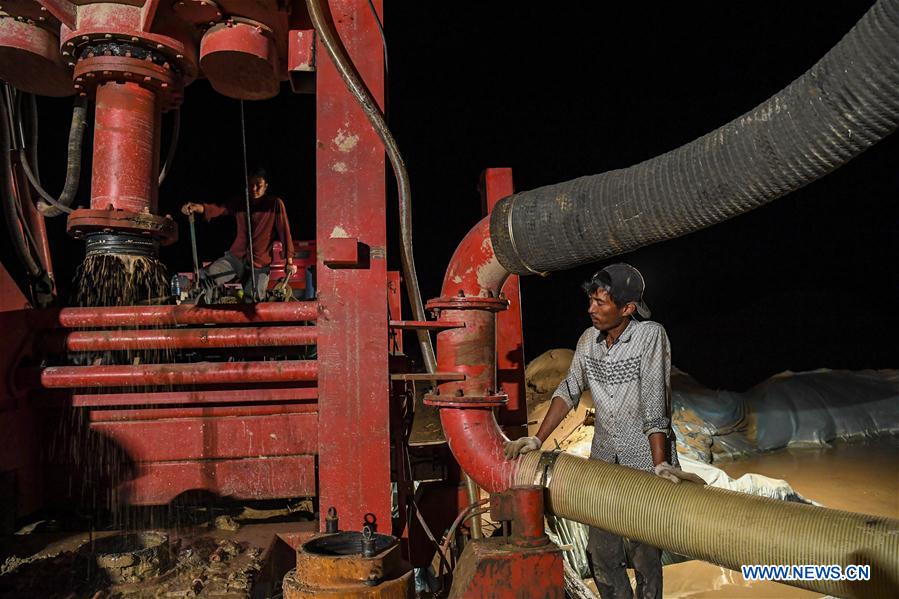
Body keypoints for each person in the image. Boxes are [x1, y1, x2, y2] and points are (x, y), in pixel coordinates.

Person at [503, 263, 703, 599]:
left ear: (627, 308)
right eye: (591, 301)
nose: (590, 309)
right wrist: (537, 439)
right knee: (602, 553)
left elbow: (655, 401)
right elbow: (568, 389)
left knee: (644, 552)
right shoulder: (588, 341)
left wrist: (661, 463)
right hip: (603, 459)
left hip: (644, 460)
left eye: (600, 303)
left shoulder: (649, 335)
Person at [181, 168, 297, 301]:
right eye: (250, 184)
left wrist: (289, 261)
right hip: (235, 258)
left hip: (259, 264)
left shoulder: (275, 204)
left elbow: (284, 231)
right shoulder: (240, 202)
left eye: (258, 185)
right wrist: (197, 208)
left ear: (266, 186)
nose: (254, 188)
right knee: (205, 276)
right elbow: (219, 209)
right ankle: (199, 313)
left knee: (253, 303)